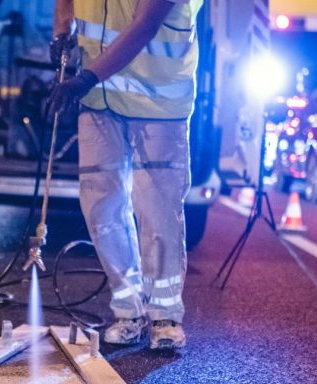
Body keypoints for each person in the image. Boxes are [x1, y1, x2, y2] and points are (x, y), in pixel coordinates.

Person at [48, 0, 202, 350]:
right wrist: (62, 32)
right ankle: (128, 311)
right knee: (101, 209)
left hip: (158, 103)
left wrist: (84, 78)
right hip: (98, 100)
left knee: (157, 211)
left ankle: (165, 317)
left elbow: (144, 25)